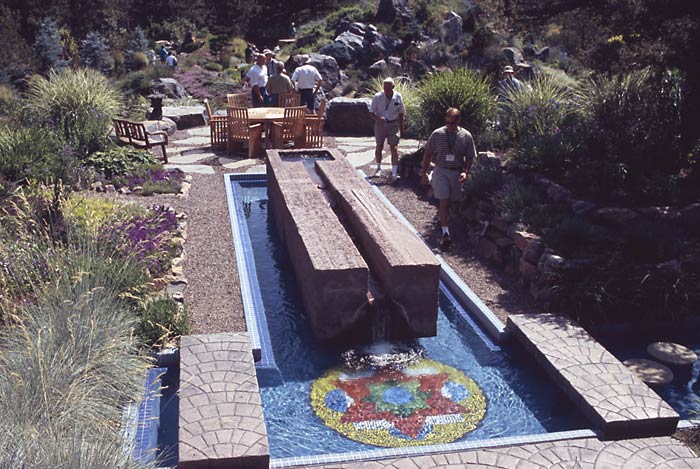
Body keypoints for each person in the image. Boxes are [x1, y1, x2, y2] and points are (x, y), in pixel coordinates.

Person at [420, 107, 477, 249]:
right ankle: (446, 233)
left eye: (452, 123)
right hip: (441, 171)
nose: (449, 125)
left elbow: (470, 156)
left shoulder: (466, 136)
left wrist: (465, 171)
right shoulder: (437, 134)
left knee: (453, 200)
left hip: (456, 172)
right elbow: (427, 154)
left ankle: (443, 220)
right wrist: (424, 173)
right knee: (443, 200)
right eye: (447, 122)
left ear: (458, 121)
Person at [369, 76, 405, 181]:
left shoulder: (398, 96)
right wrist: (378, 118)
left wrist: (401, 128)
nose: (386, 90)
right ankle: (378, 168)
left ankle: (394, 172)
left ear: (393, 87)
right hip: (380, 125)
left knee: (394, 148)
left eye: (388, 88)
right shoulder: (378, 96)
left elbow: (401, 113)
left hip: (393, 124)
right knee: (379, 146)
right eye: (385, 87)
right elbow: (371, 113)